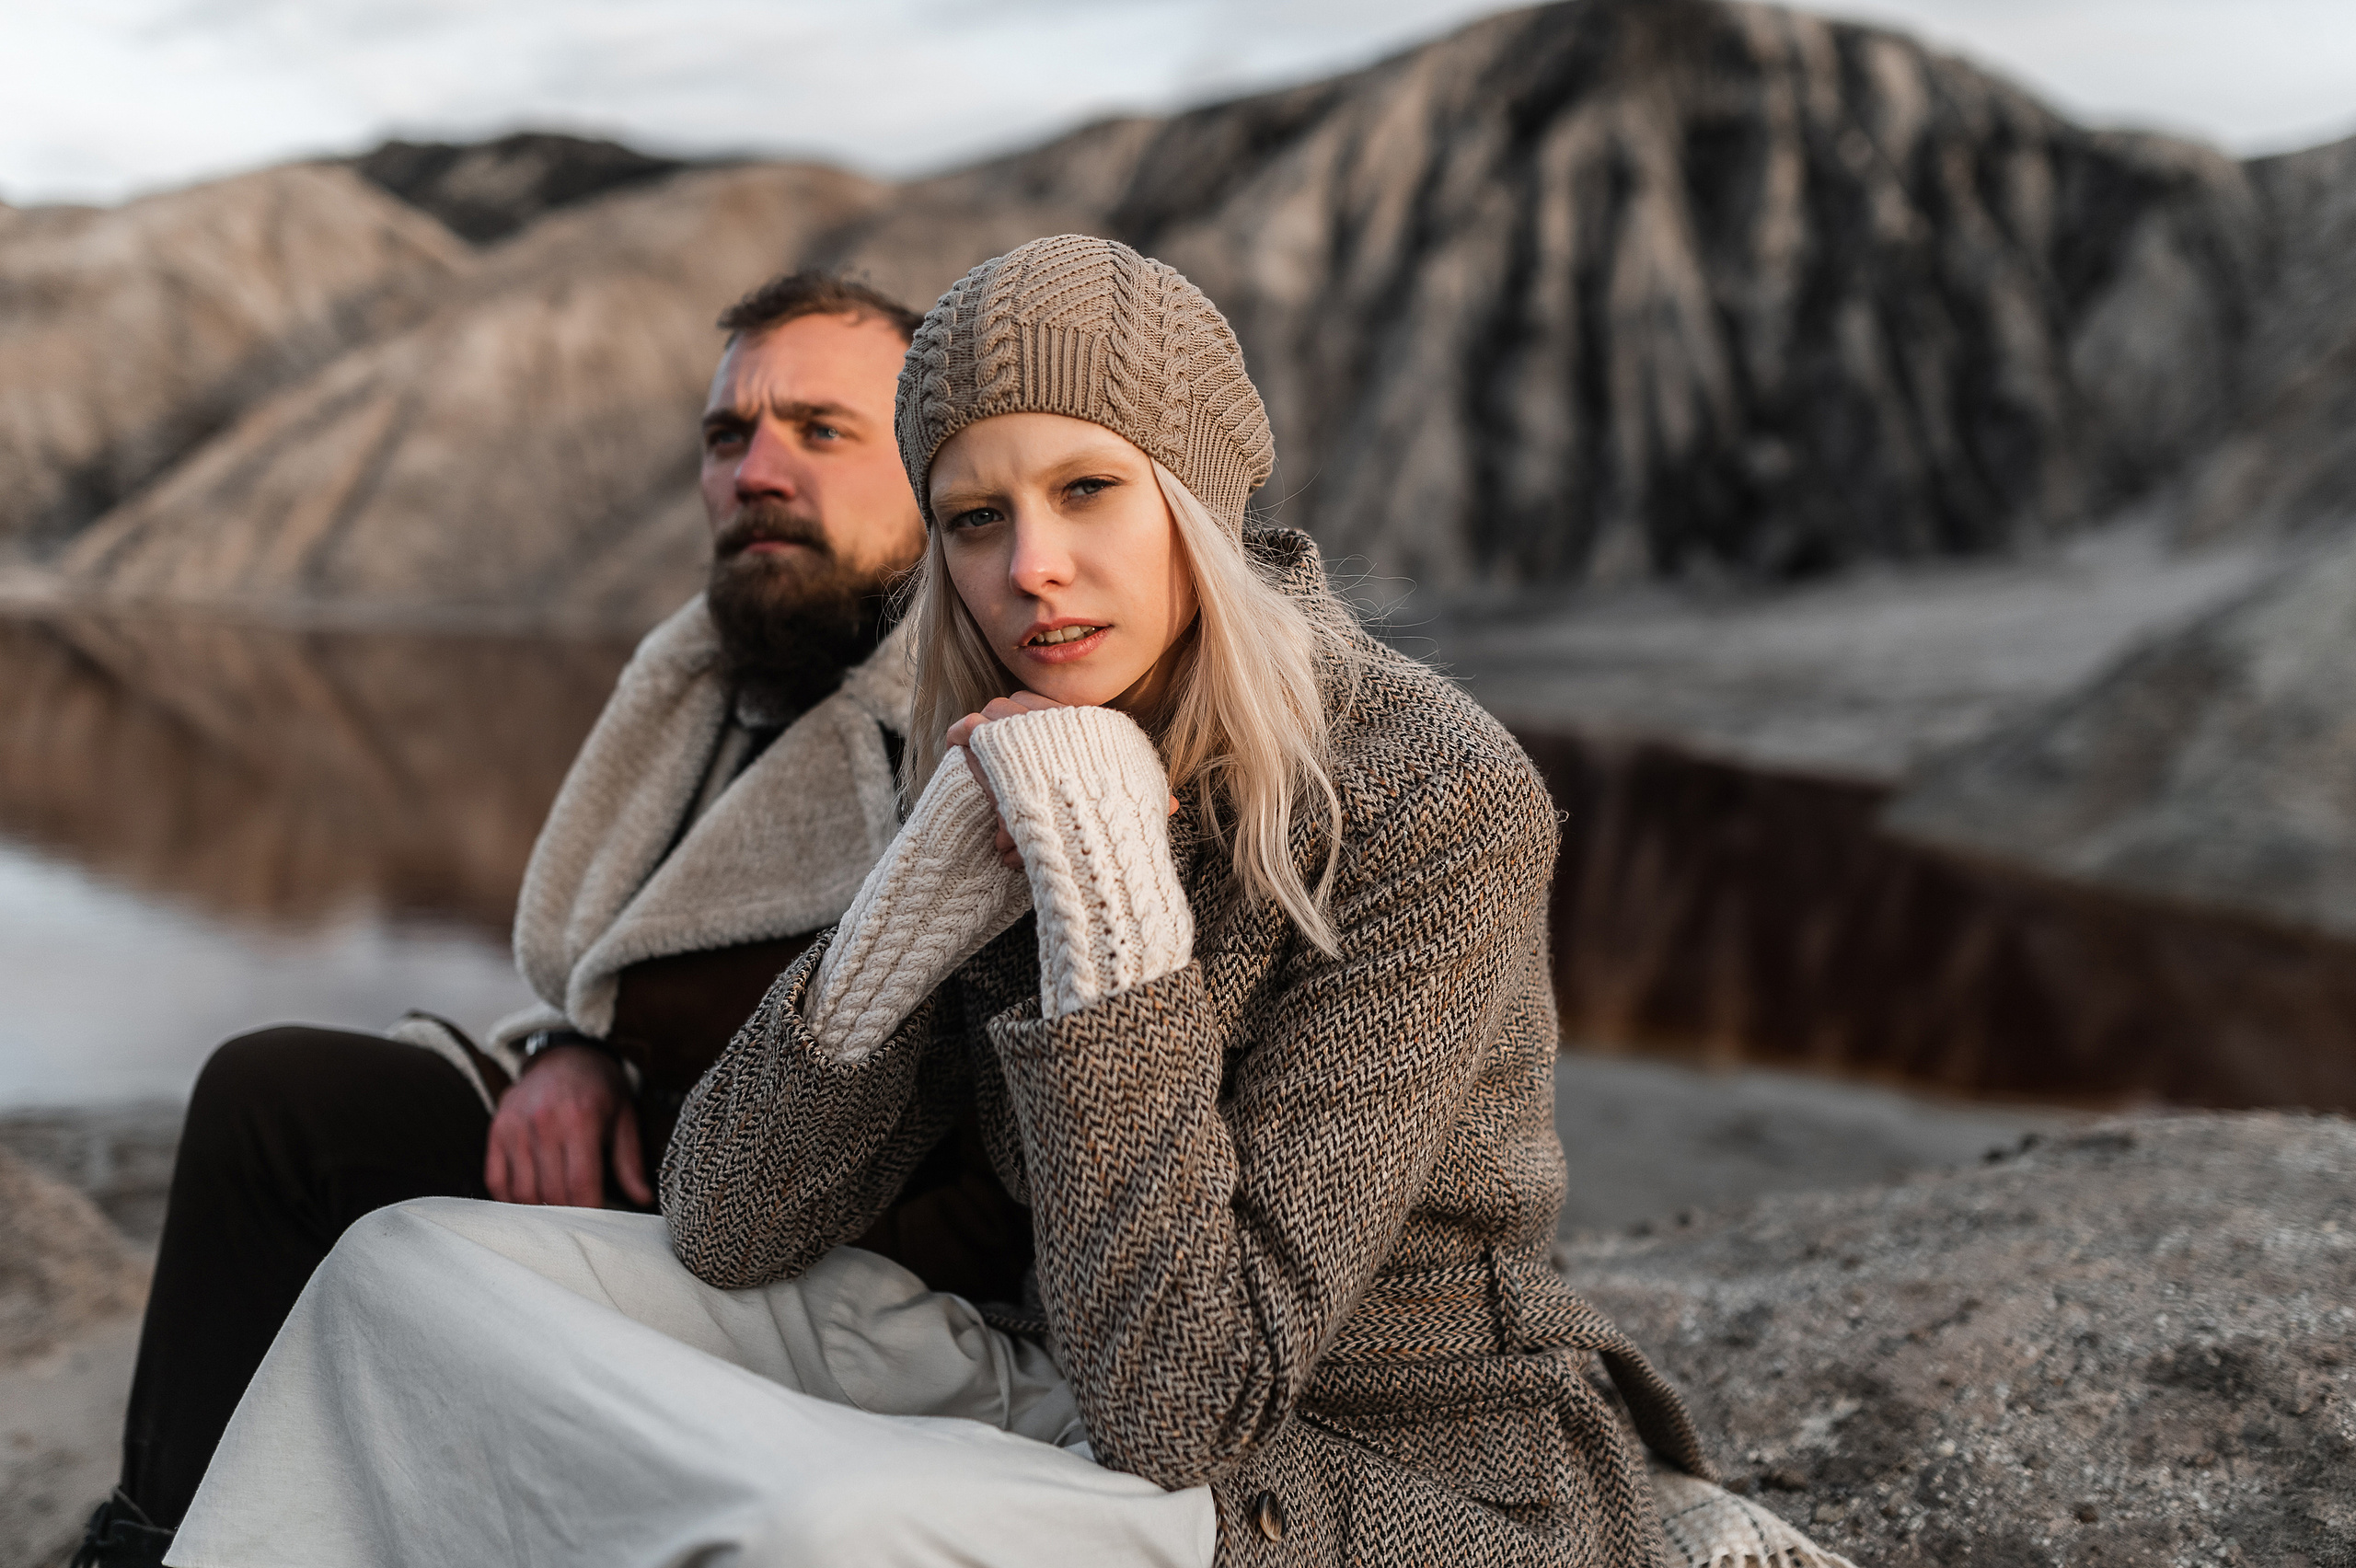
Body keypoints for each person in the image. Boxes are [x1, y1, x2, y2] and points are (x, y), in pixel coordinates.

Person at [161, 237, 1848, 1568]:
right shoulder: (992, 752)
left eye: (1087, 491)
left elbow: (1188, 1400)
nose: (1030, 565)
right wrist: (911, 901)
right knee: (405, 1271)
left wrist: (1109, 924)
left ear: (1193, 496)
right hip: (1039, 1370)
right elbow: (729, 1228)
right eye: (977, 515)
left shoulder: (1427, 795)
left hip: (1358, 1466)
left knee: (828, 1532)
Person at [75, 272, 1034, 1568]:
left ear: (933, 469)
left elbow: (992, 1170)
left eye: (820, 429)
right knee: (273, 1103)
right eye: (726, 436)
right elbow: (626, 951)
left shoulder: (968, 726)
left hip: (817, 1246)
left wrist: (671, 1192)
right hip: (633, 1154)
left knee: (408, 1253)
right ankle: (156, 1541)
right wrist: (572, 1047)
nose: (756, 470)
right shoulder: (702, 685)